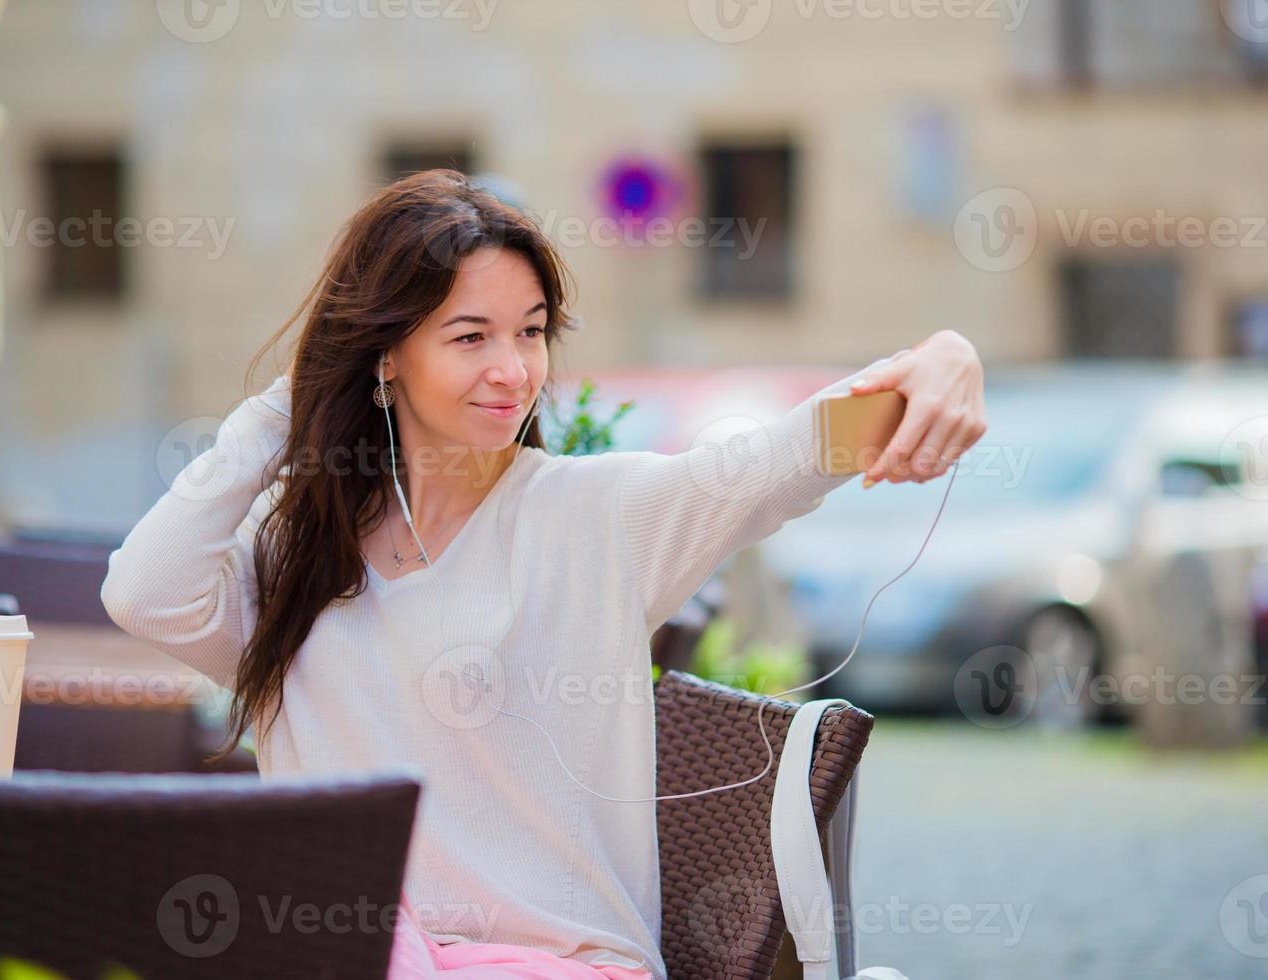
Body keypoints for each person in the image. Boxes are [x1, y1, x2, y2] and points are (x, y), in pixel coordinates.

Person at [100, 169, 987, 978]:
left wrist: (947, 357)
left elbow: (785, 457)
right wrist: (280, 412)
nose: (512, 371)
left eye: (530, 334)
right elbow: (144, 592)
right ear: (384, 354)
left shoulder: (596, 514)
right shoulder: (295, 553)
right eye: (469, 336)